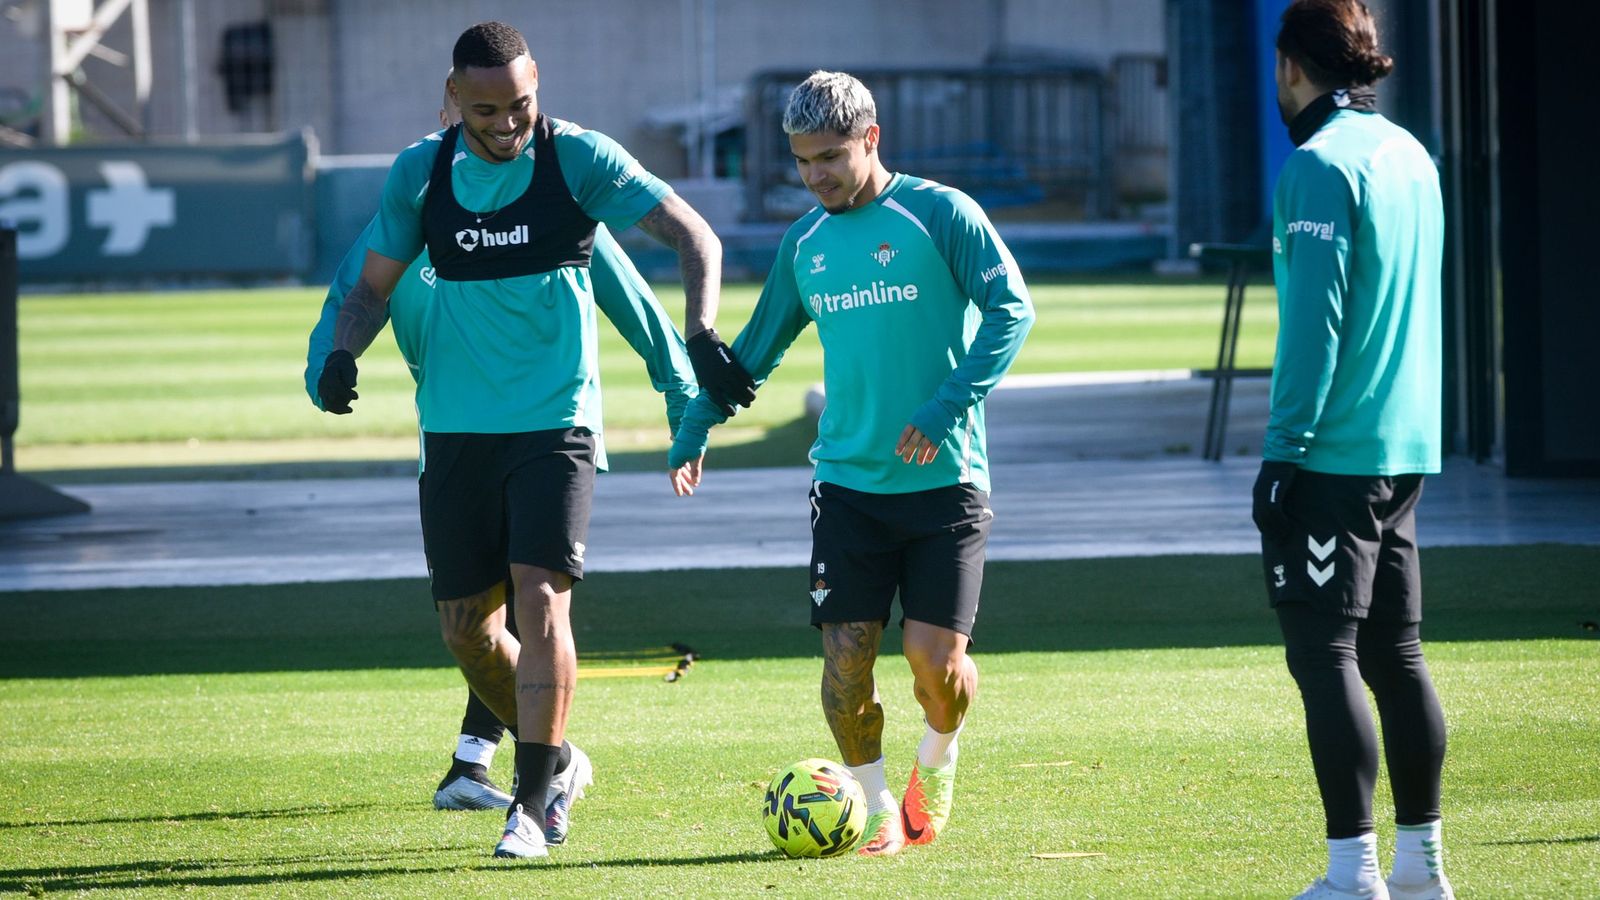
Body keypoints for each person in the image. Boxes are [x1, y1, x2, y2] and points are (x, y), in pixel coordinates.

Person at [314, 22, 746, 861]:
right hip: (455, 432)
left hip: (556, 423)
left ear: (536, 84)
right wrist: (338, 354)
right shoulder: (421, 174)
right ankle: (559, 758)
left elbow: (696, 235)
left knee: (542, 599)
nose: (508, 123)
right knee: (465, 628)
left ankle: (535, 799)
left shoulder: (577, 161)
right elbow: (369, 289)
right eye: (487, 110)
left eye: (521, 104)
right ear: (452, 99)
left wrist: (698, 338)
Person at [668, 71, 1034, 857]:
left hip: (947, 484)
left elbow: (1013, 312)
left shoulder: (940, 214)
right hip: (847, 487)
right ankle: (873, 812)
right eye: (802, 163)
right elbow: (753, 355)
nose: (815, 176)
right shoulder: (805, 245)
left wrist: (943, 409)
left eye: (830, 157)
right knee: (845, 666)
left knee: (935, 667)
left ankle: (936, 760)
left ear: (871, 139)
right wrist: (697, 422)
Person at [1255, 3, 1451, 898]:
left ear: (1293, 64)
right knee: (1396, 655)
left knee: (1324, 654)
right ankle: (1421, 869)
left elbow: (1314, 329)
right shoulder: (1411, 154)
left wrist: (1282, 452)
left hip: (1333, 454)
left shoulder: (1317, 165)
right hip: (1406, 447)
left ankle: (1354, 876)